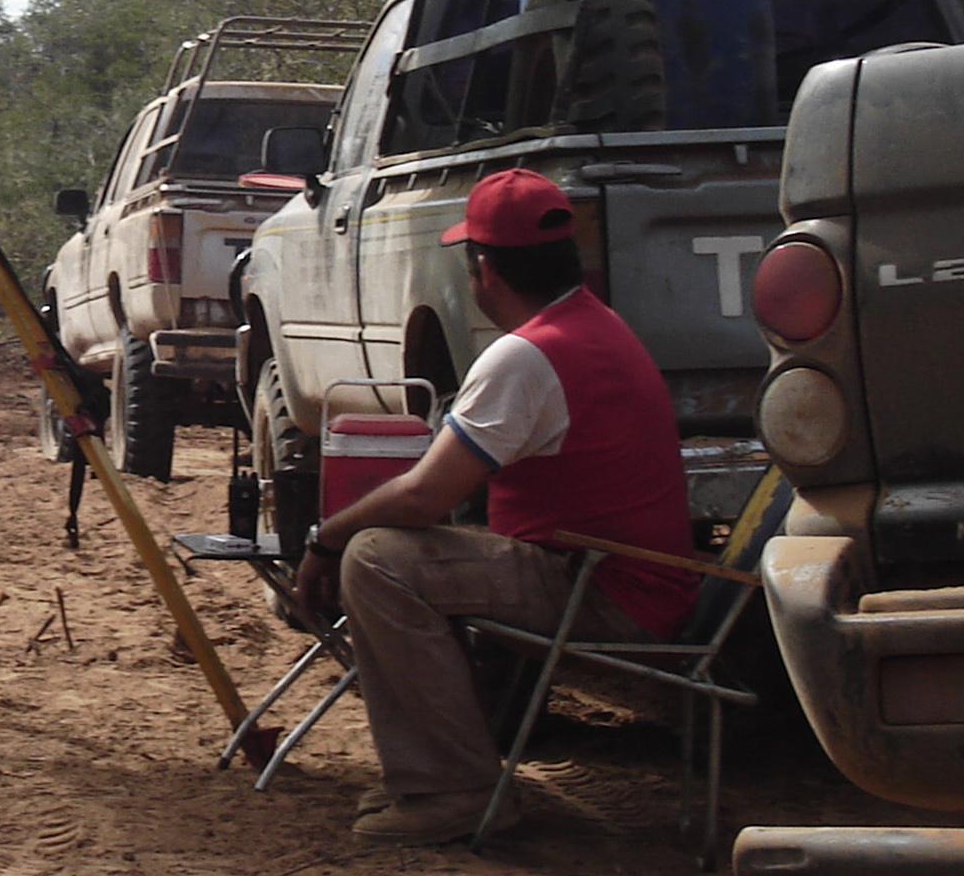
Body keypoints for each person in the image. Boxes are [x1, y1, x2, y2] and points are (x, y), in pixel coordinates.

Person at [297, 167, 694, 847]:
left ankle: (453, 793)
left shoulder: (528, 354)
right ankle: (447, 770)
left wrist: (325, 537)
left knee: (378, 559)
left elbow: (425, 493)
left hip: (605, 590)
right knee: (417, 551)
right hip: (630, 577)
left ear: (485, 270)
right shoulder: (593, 326)